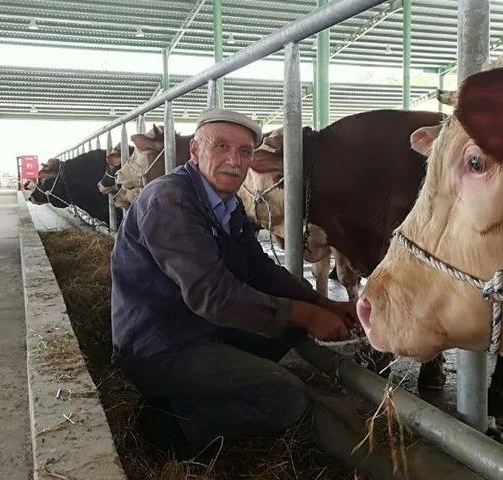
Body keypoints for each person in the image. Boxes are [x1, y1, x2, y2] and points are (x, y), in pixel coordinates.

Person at [110, 108, 356, 455]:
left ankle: (219, 384)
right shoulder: (170, 201)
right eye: (221, 147)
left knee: (291, 326)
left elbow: (258, 267)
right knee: (286, 397)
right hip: (162, 344)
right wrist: (308, 314)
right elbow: (212, 295)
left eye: (244, 152)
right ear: (195, 151)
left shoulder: (226, 203)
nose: (233, 160)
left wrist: (320, 304)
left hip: (201, 326)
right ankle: (169, 423)